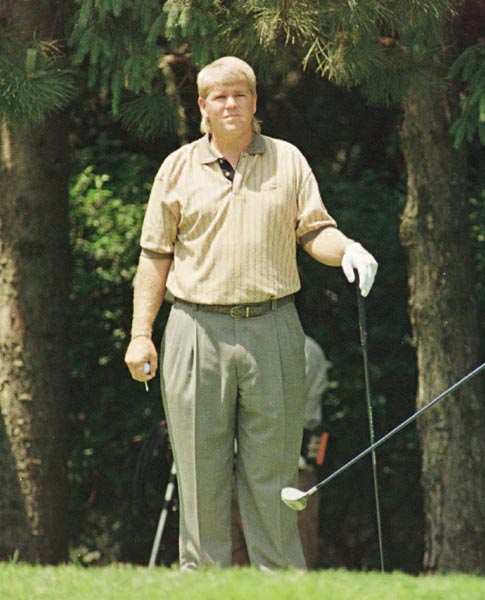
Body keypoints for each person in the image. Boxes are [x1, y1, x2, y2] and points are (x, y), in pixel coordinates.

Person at [123, 56, 378, 571]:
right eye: (219, 96)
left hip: (273, 326)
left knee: (275, 473)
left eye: (240, 94)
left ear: (255, 101)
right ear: (203, 106)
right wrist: (140, 334)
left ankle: (278, 583)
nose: (231, 104)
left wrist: (347, 249)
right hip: (195, 328)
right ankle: (204, 584)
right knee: (200, 474)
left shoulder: (287, 160)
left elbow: (315, 232)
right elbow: (154, 257)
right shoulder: (176, 168)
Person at [231, 334, 329, 568]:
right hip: (235, 471)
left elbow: (277, 413)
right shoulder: (236, 347)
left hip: (289, 474)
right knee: (230, 572)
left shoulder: (304, 350)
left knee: (292, 569)